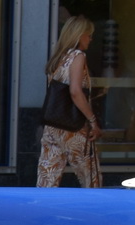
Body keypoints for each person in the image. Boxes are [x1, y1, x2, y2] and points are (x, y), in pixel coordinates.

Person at [38, 15, 100, 188]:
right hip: (74, 127)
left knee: (47, 178)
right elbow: (75, 92)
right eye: (89, 35)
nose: (91, 39)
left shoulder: (59, 58)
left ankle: (42, 205)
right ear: (80, 35)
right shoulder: (78, 56)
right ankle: (94, 206)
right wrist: (92, 120)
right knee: (90, 177)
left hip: (53, 125)